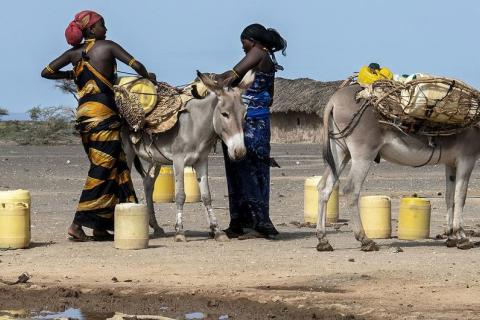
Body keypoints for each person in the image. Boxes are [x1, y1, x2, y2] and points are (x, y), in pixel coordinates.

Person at [41, 10, 157, 241]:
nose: (107, 29)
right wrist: (148, 77)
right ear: (92, 29)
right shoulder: (108, 46)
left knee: (116, 166)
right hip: (103, 116)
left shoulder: (74, 53)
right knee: (103, 167)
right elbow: (137, 65)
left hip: (84, 117)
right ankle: (77, 224)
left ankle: (101, 226)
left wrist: (71, 75)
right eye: (103, 25)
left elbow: (46, 72)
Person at [216, 23, 287, 239]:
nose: (242, 47)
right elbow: (271, 98)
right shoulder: (268, 61)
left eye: (243, 42)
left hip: (250, 124)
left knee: (246, 170)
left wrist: (211, 82)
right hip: (260, 121)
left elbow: (232, 75)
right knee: (253, 171)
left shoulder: (257, 53)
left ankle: (257, 223)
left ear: (253, 41)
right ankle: (244, 222)